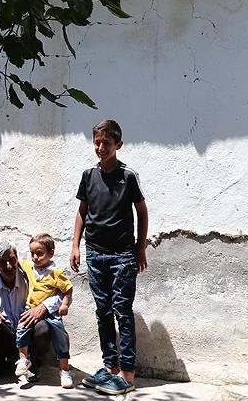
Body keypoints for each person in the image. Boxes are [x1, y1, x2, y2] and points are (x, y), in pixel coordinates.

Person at [70, 119, 148, 395]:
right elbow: (82, 210)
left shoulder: (128, 176)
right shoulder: (88, 175)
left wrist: (140, 248)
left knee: (122, 311)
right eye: (97, 142)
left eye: (107, 143)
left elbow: (142, 212)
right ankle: (110, 367)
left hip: (122, 255)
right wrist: (75, 245)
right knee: (102, 311)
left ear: (118, 145)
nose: (101, 147)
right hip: (95, 253)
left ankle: (127, 374)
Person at [0, 238, 60, 383]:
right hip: (5, 338)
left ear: (17, 258)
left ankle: (33, 364)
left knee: (43, 327)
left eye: (12, 259)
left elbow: (60, 294)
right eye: (2, 262)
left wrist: (42, 307)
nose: (9, 266)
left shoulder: (31, 277)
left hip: (28, 337)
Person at [14, 233, 74, 388]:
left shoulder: (55, 273)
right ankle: (23, 360)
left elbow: (68, 289)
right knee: (22, 327)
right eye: (32, 253)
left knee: (60, 335)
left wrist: (65, 304)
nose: (35, 257)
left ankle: (64, 369)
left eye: (39, 253)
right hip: (31, 308)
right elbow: (17, 261)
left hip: (51, 313)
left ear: (51, 253)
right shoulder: (29, 267)